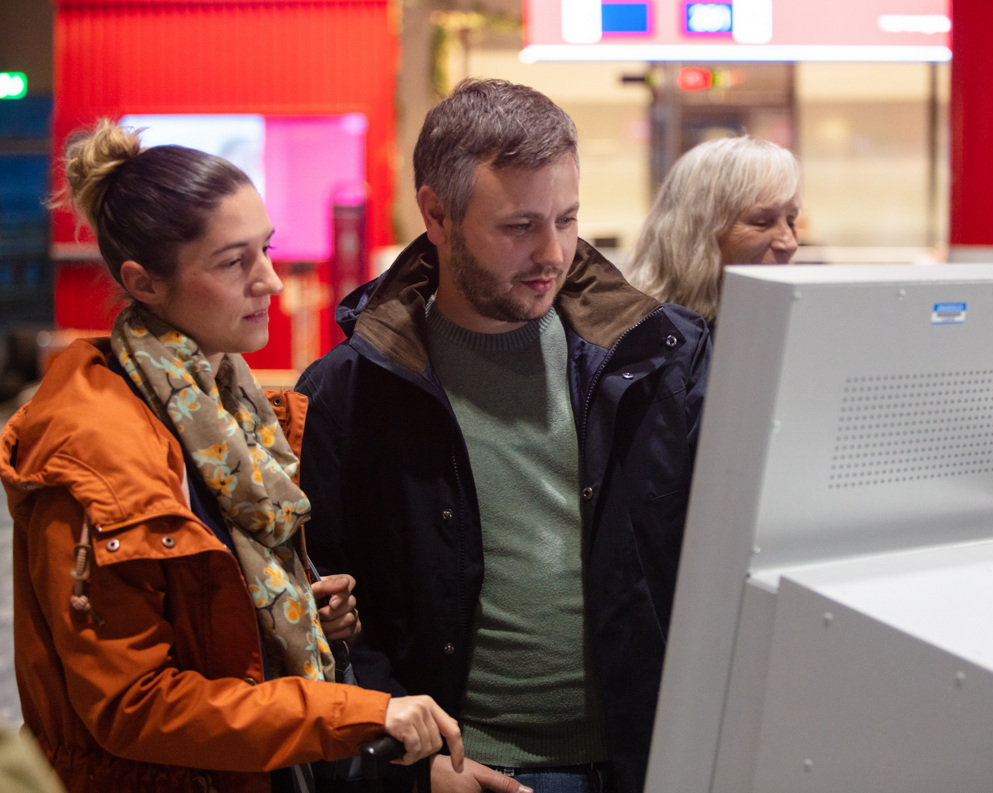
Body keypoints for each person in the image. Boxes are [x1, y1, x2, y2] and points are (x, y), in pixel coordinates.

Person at [0, 120, 463, 793]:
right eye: (231, 262)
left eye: (265, 249)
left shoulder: (232, 413)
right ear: (144, 282)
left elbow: (203, 620)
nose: (269, 281)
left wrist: (297, 611)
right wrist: (351, 710)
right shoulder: (93, 451)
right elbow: (134, 704)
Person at [295, 78, 712, 793]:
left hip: (644, 760)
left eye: (567, 218)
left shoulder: (655, 361)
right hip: (472, 769)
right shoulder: (350, 392)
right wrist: (411, 768)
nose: (553, 251)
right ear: (437, 214)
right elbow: (320, 617)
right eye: (519, 227)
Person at [624, 135, 801, 326]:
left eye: (791, 222)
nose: (790, 244)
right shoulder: (640, 332)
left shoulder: (789, 320)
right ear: (696, 234)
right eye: (762, 222)